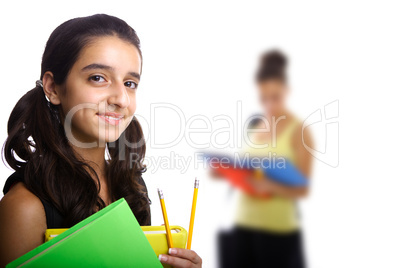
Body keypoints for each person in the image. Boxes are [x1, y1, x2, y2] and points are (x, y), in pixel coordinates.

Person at [0, 14, 202, 268]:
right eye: (98, 77)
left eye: (130, 83)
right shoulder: (24, 207)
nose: (121, 99)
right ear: (52, 87)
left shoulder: (132, 186)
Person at [218, 50, 314, 268]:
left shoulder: (299, 131)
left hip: (278, 231)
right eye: (264, 98)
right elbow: (249, 169)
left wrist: (269, 185)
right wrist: (227, 171)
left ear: (287, 91)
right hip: (243, 226)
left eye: (275, 97)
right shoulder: (256, 125)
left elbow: (303, 189)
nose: (269, 105)